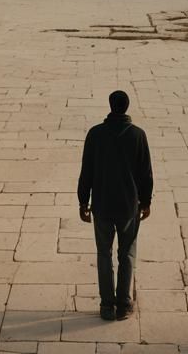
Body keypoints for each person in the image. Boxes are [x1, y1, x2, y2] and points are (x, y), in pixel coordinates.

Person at [78, 90, 153, 322]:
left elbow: (86, 171)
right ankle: (124, 302)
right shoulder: (138, 135)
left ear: (110, 106)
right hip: (128, 206)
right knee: (127, 254)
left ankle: (106, 305)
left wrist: (83, 201)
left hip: (102, 204)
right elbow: (146, 174)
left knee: (104, 254)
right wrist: (146, 201)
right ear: (127, 107)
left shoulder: (95, 134)